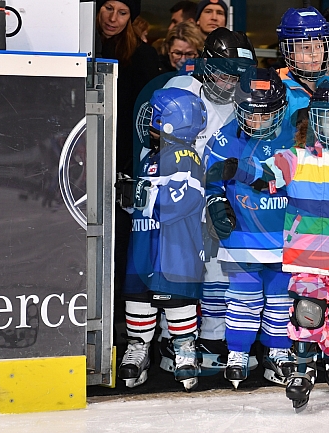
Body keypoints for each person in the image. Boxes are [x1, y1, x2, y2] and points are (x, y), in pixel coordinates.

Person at [207, 79, 329, 411]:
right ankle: (303, 363)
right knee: (307, 313)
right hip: (307, 257)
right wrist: (237, 169)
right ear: (316, 121)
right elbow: (264, 175)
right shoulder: (296, 159)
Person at [155, 27, 257, 373]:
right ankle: (173, 341)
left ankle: (213, 339)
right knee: (177, 273)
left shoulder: (243, 104)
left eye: (237, 78)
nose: (230, 84)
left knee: (220, 272)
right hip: (180, 197)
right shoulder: (179, 88)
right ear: (205, 63)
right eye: (224, 75)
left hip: (220, 198)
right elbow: (156, 141)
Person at [205, 67, 296, 388]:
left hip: (284, 239)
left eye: (266, 115)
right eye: (250, 114)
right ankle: (239, 352)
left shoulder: (293, 137)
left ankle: (279, 352)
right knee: (243, 298)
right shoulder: (224, 138)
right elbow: (211, 180)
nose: (257, 122)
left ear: (281, 109)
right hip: (242, 236)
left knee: (279, 299)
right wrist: (215, 203)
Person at [117, 87, 207, 392]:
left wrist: (143, 195)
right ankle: (138, 349)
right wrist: (127, 196)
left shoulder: (185, 156)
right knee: (138, 298)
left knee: (177, 298)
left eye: (155, 118)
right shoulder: (150, 157)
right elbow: (139, 201)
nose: (149, 123)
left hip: (175, 247)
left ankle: (185, 351)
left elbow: (184, 200)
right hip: (145, 241)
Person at [96, 0, 160, 345]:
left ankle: (119, 324)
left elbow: (149, 115)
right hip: (82, 157)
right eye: (108, 8)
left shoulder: (144, 57)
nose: (113, 19)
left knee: (120, 246)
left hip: (124, 166)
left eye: (123, 13)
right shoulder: (82, 44)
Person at [275, 7, 329, 122]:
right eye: (306, 47)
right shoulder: (277, 88)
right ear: (288, 52)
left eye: (319, 46)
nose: (314, 54)